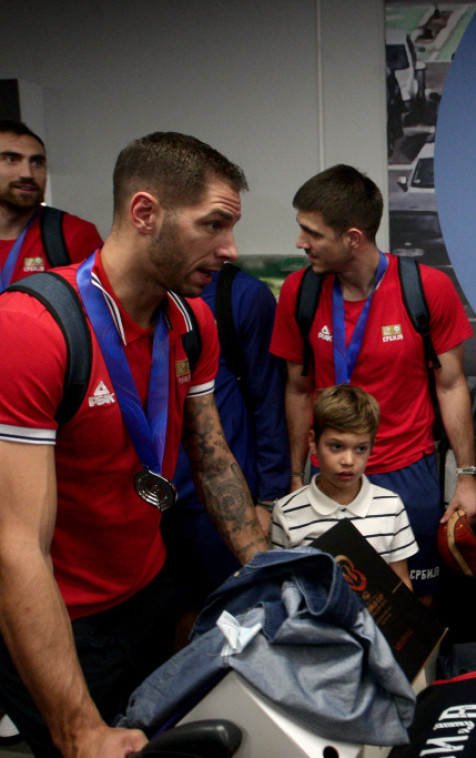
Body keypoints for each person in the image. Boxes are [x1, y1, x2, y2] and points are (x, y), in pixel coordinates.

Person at [0, 132, 269, 758]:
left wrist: (268, 569)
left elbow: (210, 455)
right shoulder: (32, 329)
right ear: (146, 213)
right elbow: (16, 548)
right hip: (61, 621)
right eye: (214, 225)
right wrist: (78, 729)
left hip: (149, 591)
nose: (230, 249)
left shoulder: (192, 319)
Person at [270, 164, 476, 602]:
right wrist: (295, 474)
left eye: (312, 233)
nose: (300, 243)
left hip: (407, 473)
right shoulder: (299, 292)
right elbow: (298, 389)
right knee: (328, 599)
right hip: (328, 473)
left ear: (352, 237)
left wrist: (466, 476)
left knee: (413, 604)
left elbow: (451, 386)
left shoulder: (426, 289)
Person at [164, 264, 290, 609]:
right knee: (163, 623)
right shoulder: (123, 302)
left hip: (219, 499)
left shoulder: (243, 295)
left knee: (230, 614)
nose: (227, 247)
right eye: (213, 226)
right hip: (150, 502)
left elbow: (270, 401)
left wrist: (268, 499)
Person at [271, 384, 418, 591]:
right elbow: (281, 589)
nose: (348, 460)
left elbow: (401, 583)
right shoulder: (286, 512)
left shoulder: (391, 507)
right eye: (336, 447)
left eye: (360, 448)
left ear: (372, 445)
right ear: (313, 441)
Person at [0, 120, 102, 290]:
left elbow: (103, 310)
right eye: (12, 159)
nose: (28, 174)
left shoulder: (74, 235)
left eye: (37, 162)